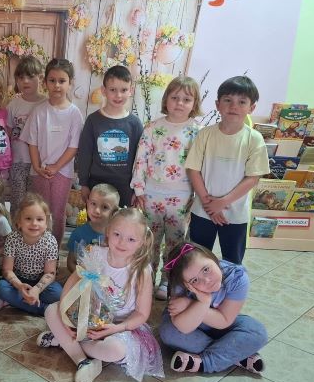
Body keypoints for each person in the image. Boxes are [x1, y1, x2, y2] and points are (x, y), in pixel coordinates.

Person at [38, 208, 164, 382]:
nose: (122, 242)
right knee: (51, 310)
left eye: (131, 239)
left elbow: (142, 313)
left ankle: (65, 342)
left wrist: (116, 328)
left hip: (121, 326)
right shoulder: (95, 253)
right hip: (89, 315)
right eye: (117, 234)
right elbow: (72, 283)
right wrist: (65, 317)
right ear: (108, 231)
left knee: (115, 351)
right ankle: (82, 360)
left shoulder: (141, 270)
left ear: (142, 242)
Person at [130, 76, 202, 299]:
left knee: (175, 242)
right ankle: (146, 278)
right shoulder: (153, 128)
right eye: (175, 97)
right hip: (151, 194)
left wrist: (198, 194)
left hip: (181, 196)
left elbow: (200, 166)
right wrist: (139, 190)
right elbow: (141, 159)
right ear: (166, 100)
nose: (180, 103)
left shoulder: (197, 131)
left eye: (186, 99)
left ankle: (167, 279)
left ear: (194, 103)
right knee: (149, 240)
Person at [185, 76, 269, 264]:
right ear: (218, 104)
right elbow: (193, 170)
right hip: (203, 210)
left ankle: (230, 285)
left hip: (235, 214)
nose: (234, 106)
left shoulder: (254, 139)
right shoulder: (205, 134)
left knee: (233, 261)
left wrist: (222, 202)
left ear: (252, 108)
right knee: (197, 258)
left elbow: (253, 178)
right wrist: (209, 205)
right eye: (228, 100)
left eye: (242, 102)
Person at [158, 242, 267, 375]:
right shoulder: (180, 283)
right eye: (194, 281)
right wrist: (203, 303)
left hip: (221, 324)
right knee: (169, 333)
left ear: (213, 258)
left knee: (257, 332)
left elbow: (224, 320)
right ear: (186, 284)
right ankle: (234, 354)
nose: (206, 280)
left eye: (206, 269)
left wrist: (193, 303)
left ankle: (204, 362)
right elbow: (184, 327)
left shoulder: (237, 277)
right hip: (192, 327)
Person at [20, 58, 84, 248]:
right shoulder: (39, 111)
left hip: (62, 172)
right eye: (52, 80)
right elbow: (32, 142)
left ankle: (52, 251)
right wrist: (37, 166)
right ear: (45, 82)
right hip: (39, 171)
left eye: (62, 81)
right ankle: (37, 248)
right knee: (39, 211)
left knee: (57, 212)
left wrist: (56, 167)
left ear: (70, 83)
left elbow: (73, 147)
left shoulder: (74, 114)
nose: (57, 85)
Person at [77, 65, 143, 208]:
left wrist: (137, 189)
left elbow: (140, 159)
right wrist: (83, 183)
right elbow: (84, 153)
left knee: (121, 221)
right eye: (113, 90)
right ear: (103, 90)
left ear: (131, 91)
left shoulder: (135, 124)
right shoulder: (93, 120)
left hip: (125, 186)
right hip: (97, 184)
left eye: (123, 90)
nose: (118, 95)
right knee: (97, 220)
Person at [0, 193, 62, 315]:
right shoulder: (12, 238)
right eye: (28, 219)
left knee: (58, 293)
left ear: (46, 223)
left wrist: (36, 290)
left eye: (39, 219)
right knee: (1, 287)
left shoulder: (50, 241)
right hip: (18, 280)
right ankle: (44, 309)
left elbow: (50, 273)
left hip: (40, 281)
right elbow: (7, 270)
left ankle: (17, 301)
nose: (34, 223)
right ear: (19, 222)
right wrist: (20, 286)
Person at [7, 56, 46, 216]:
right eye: (21, 77)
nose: (25, 81)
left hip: (39, 163)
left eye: (30, 76)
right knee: (18, 202)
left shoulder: (46, 104)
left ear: (40, 78)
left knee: (35, 202)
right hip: (17, 161)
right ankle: (17, 230)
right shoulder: (13, 104)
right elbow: (8, 133)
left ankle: (33, 229)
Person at [66, 183, 119, 273]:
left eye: (105, 207)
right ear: (87, 203)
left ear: (114, 212)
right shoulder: (78, 233)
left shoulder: (117, 235)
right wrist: (86, 276)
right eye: (93, 204)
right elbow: (71, 263)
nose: (97, 210)